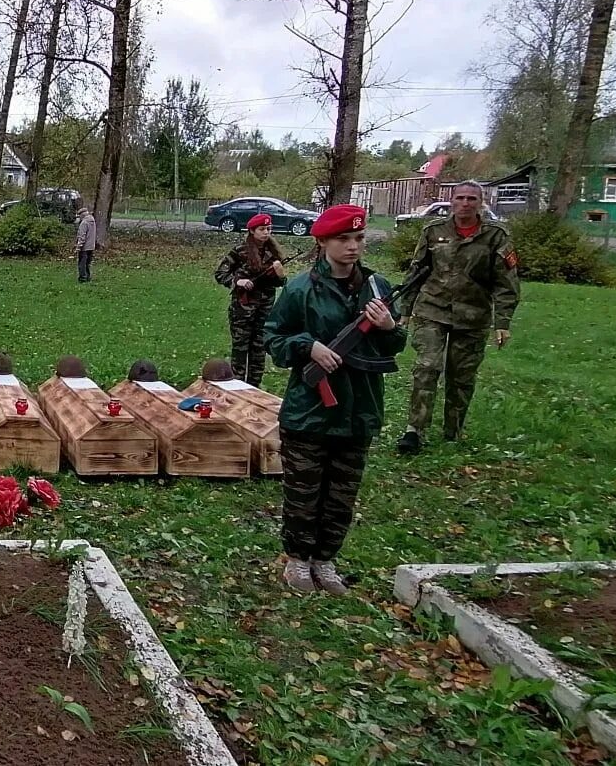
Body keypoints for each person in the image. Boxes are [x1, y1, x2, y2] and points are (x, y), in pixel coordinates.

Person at [264, 204, 406, 595]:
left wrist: (389, 326)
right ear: (323, 242)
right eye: (343, 239)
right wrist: (308, 347)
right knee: (304, 492)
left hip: (358, 409)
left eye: (359, 239)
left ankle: (325, 561)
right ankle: (297, 561)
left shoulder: (378, 289)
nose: (353, 247)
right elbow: (273, 339)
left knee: (342, 494)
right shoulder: (300, 289)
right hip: (309, 411)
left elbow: (396, 345)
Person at [394, 181, 521, 455]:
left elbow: (506, 282)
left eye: (471, 198)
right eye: (460, 198)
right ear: (451, 201)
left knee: (461, 375)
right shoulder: (433, 231)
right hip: (432, 309)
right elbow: (417, 272)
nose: (465, 203)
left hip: (473, 315)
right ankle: (414, 429)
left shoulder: (495, 236)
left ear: (481, 202)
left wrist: (503, 322)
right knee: (427, 367)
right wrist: (405, 310)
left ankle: (453, 429)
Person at [213, 213, 286, 386]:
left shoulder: (273, 253)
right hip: (242, 308)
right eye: (261, 229)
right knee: (240, 348)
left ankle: (254, 386)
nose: (266, 232)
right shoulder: (240, 251)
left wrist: (280, 273)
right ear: (252, 231)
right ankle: (236, 384)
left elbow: (279, 283)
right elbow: (220, 273)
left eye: (268, 229)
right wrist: (238, 281)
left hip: (264, 308)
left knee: (259, 348)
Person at [73, 207, 95, 283]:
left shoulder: (84, 223)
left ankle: (82, 278)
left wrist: (78, 248)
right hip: (91, 247)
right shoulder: (92, 221)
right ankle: (88, 277)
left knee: (82, 264)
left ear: (82, 215)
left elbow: (82, 237)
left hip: (84, 247)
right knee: (88, 263)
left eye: (79, 216)